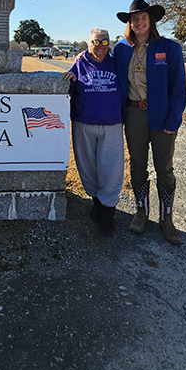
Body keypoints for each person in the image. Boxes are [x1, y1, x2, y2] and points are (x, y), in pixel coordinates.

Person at [114, 0, 186, 245]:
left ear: (151, 20)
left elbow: (179, 88)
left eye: (143, 18)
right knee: (137, 164)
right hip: (133, 114)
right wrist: (81, 58)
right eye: (134, 19)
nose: (139, 22)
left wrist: (174, 119)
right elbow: (99, 59)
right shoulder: (122, 49)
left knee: (164, 167)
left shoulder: (169, 48)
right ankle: (141, 212)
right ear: (129, 23)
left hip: (162, 115)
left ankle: (167, 219)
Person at [64, 29, 124, 236]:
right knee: (87, 167)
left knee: (111, 168)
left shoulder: (117, 62)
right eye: (95, 41)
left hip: (112, 123)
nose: (99, 45)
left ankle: (109, 213)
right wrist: (69, 79)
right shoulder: (79, 64)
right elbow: (68, 89)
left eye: (104, 41)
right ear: (88, 44)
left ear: (109, 43)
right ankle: (96, 203)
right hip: (84, 123)